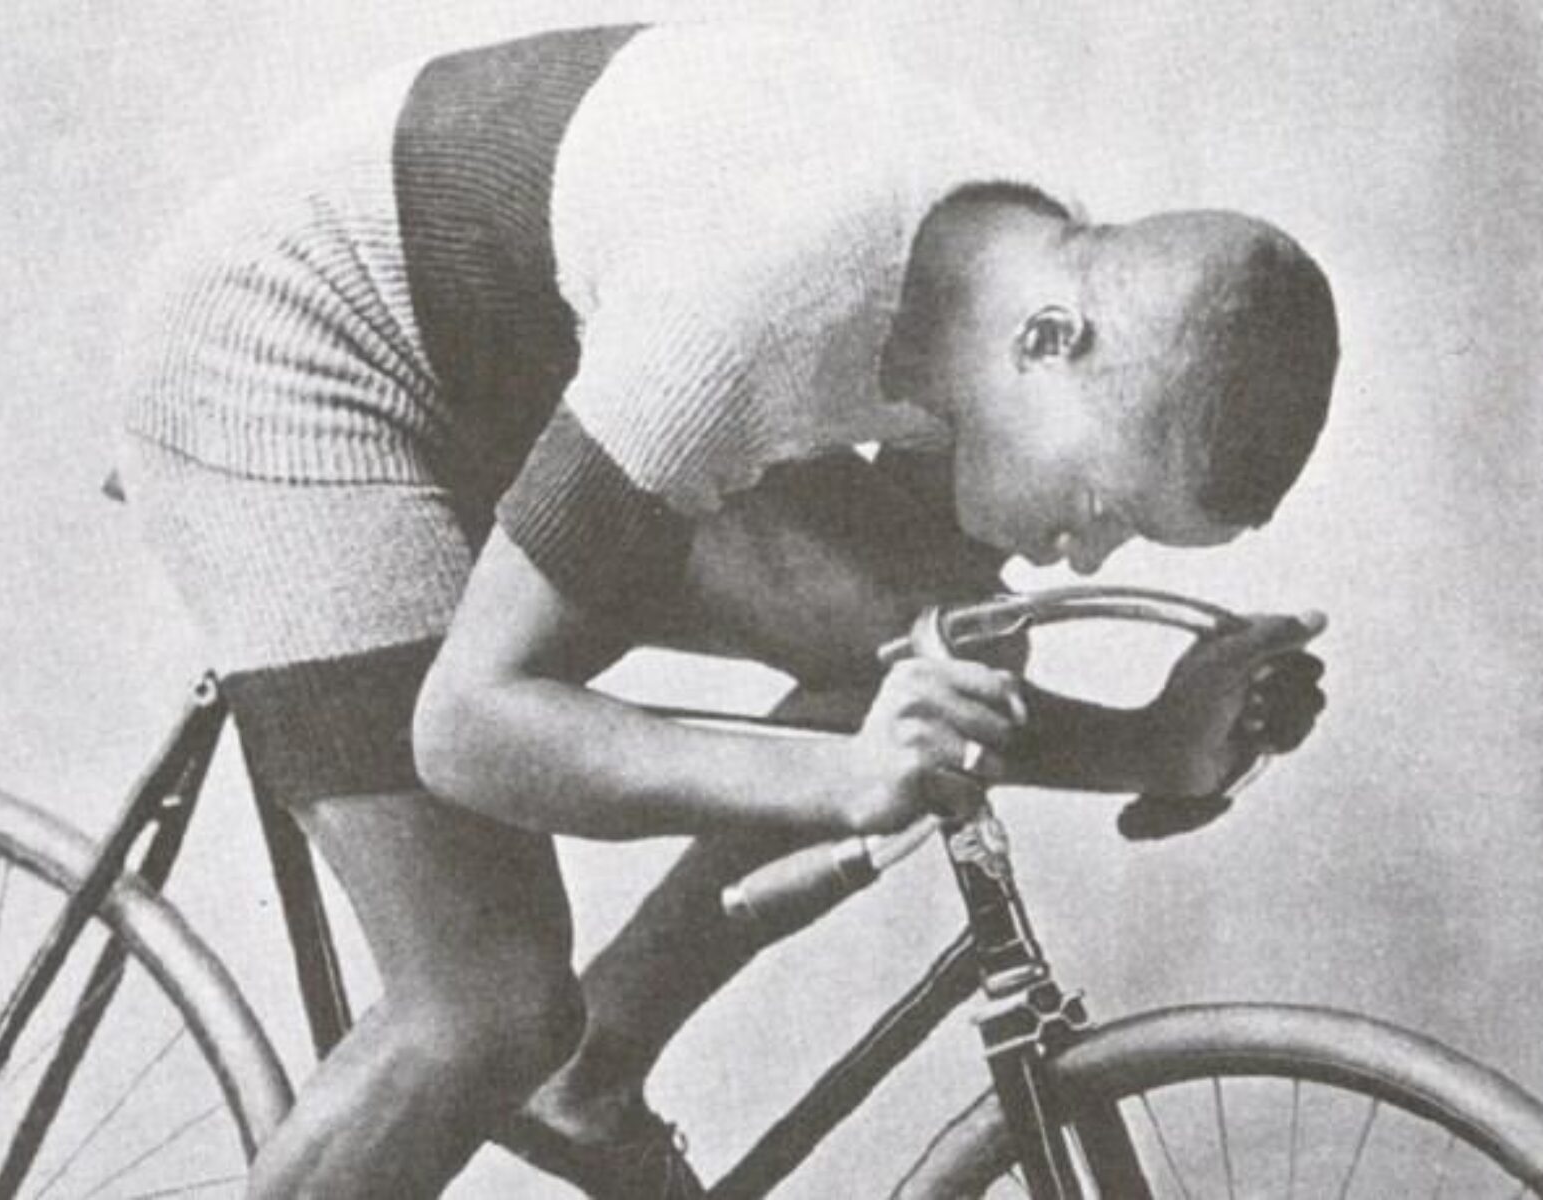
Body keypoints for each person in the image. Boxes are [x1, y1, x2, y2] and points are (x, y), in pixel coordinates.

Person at [113, 21, 1337, 1199]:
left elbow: (929, 651)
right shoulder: (757, 296)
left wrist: (1146, 747)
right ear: (1051, 340)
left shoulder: (1023, 274)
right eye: (1100, 502)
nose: (1086, 556)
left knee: (939, 634)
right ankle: (549, 1050)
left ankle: (594, 1071)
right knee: (488, 1004)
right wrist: (839, 777)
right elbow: (470, 728)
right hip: (290, 350)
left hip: (512, 350)